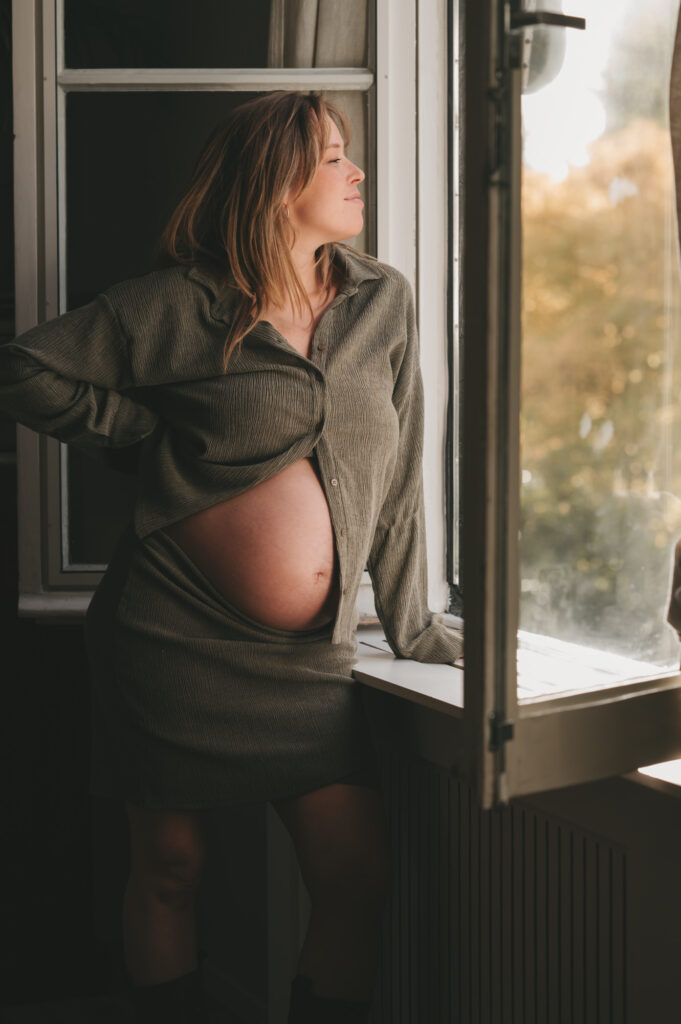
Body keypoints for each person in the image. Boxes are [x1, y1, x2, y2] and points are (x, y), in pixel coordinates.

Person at [0, 91, 463, 1023]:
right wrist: (142, 438)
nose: (355, 171)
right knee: (171, 869)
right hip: (168, 639)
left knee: (354, 871)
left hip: (307, 669)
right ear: (274, 180)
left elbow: (402, 473)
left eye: (348, 153)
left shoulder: (382, 300)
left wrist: (413, 624)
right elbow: (24, 367)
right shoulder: (179, 305)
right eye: (333, 156)